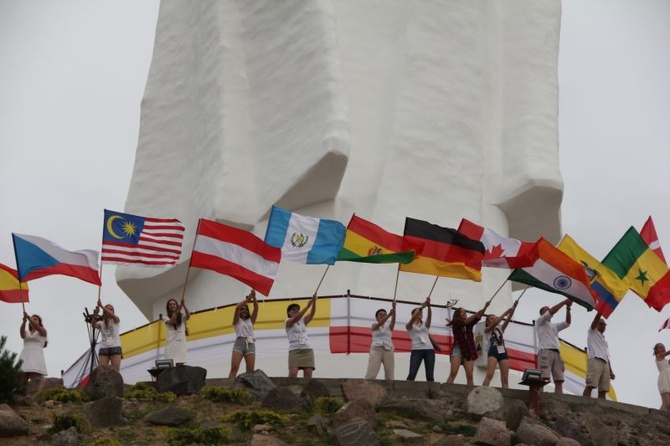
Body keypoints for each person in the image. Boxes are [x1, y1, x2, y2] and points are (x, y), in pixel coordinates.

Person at [446, 302, 490, 385]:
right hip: (458, 349)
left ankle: (471, 395)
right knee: (453, 372)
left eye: (465, 312)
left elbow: (478, 317)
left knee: (470, 375)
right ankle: (445, 392)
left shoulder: (469, 323)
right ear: (457, 314)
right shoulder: (456, 322)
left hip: (468, 351)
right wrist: (476, 313)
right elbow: (465, 322)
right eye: (462, 312)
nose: (464, 313)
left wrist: (485, 307)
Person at [535, 298, 572, 393]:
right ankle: (540, 396)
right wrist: (564, 302)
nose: (548, 310)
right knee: (543, 377)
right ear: (542, 313)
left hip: (556, 352)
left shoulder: (554, 326)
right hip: (545, 351)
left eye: (549, 309)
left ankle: (559, 398)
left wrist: (568, 308)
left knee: (559, 379)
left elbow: (567, 323)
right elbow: (552, 311)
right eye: (546, 310)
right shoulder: (540, 321)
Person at [482, 301, 518, 388]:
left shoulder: (500, 329)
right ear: (487, 322)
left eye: (494, 318)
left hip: (502, 350)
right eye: (491, 318)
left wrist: (513, 308)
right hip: (493, 350)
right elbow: (496, 323)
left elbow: (508, 319)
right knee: (490, 374)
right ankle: (483, 391)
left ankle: (506, 395)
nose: (493, 319)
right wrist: (506, 312)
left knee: (505, 378)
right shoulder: (487, 330)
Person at [583, 312, 615, 399]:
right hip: (595, 360)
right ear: (597, 324)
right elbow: (595, 321)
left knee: (603, 389)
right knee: (591, 384)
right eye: (601, 323)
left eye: (605, 324)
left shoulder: (604, 341)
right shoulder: (592, 332)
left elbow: (607, 355)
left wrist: (611, 371)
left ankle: (601, 408)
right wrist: (600, 312)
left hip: (605, 363)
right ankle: (584, 403)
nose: (603, 325)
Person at [228, 290, 259, 378]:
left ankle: (249, 390)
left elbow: (256, 309)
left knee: (250, 370)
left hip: (250, 343)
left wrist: (254, 297)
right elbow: (237, 307)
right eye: (243, 309)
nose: (244, 310)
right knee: (234, 367)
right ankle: (229, 387)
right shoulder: (237, 321)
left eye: (246, 309)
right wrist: (248, 299)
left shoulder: (250, 321)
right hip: (239, 343)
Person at [285, 294, 317, 378]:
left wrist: (314, 302)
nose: (296, 311)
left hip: (307, 349)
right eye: (293, 309)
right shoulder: (287, 321)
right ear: (289, 312)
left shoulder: (303, 321)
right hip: (295, 350)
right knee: (292, 374)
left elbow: (312, 314)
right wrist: (307, 306)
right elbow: (296, 318)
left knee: (308, 375)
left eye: (297, 309)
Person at [406, 297, 437, 381]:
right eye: (418, 312)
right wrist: (421, 307)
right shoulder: (410, 325)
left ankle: (431, 393)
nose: (421, 313)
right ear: (413, 314)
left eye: (421, 312)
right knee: (412, 374)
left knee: (430, 376)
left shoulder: (425, 325)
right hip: (417, 350)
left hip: (429, 349)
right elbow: (413, 319)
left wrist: (429, 306)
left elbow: (429, 317)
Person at [365, 301, 396, 381]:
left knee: (390, 375)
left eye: (384, 314)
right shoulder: (374, 325)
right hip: (376, 349)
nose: (382, 316)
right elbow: (380, 323)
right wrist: (389, 314)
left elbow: (393, 321)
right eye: (380, 315)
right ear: (376, 317)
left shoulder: (389, 326)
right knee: (371, 373)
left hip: (388, 349)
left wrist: (394, 309)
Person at [91, 298, 122, 371]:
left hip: (115, 346)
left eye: (111, 309)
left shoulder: (115, 320)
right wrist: (95, 315)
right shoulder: (101, 323)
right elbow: (93, 325)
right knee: (101, 369)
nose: (109, 310)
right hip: (104, 346)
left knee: (115, 369)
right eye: (107, 308)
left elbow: (115, 317)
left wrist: (102, 306)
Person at [19, 311, 48, 385]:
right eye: (32, 319)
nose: (33, 320)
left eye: (35, 319)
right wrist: (24, 322)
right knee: (21, 380)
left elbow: (37, 327)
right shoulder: (26, 332)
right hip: (25, 356)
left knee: (35, 380)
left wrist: (28, 317)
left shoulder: (42, 331)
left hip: (36, 357)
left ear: (39, 322)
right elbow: (22, 334)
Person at [164, 298, 190, 366]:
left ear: (176, 305)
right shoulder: (165, 317)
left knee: (180, 364)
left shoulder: (181, 316)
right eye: (170, 304)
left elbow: (188, 316)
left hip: (180, 344)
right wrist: (178, 309)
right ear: (168, 307)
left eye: (174, 304)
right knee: (171, 365)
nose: (172, 305)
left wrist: (183, 305)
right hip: (171, 345)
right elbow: (171, 322)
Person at [653, 343, 670, 411]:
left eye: (663, 347)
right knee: (667, 404)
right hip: (664, 379)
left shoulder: (666, 361)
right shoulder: (659, 356)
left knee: (667, 405)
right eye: (660, 347)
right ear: (656, 351)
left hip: (669, 378)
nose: (663, 348)